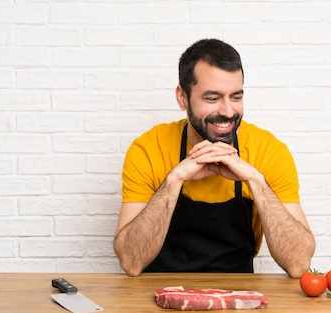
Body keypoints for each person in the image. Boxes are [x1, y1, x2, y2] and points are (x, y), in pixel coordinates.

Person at [113, 38, 315, 278]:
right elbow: (131, 262)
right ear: (182, 98)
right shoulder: (148, 149)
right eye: (212, 98)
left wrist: (256, 181)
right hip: (160, 298)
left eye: (236, 97)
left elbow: (298, 265)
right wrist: (173, 181)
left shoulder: (269, 151)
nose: (228, 111)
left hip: (239, 300)